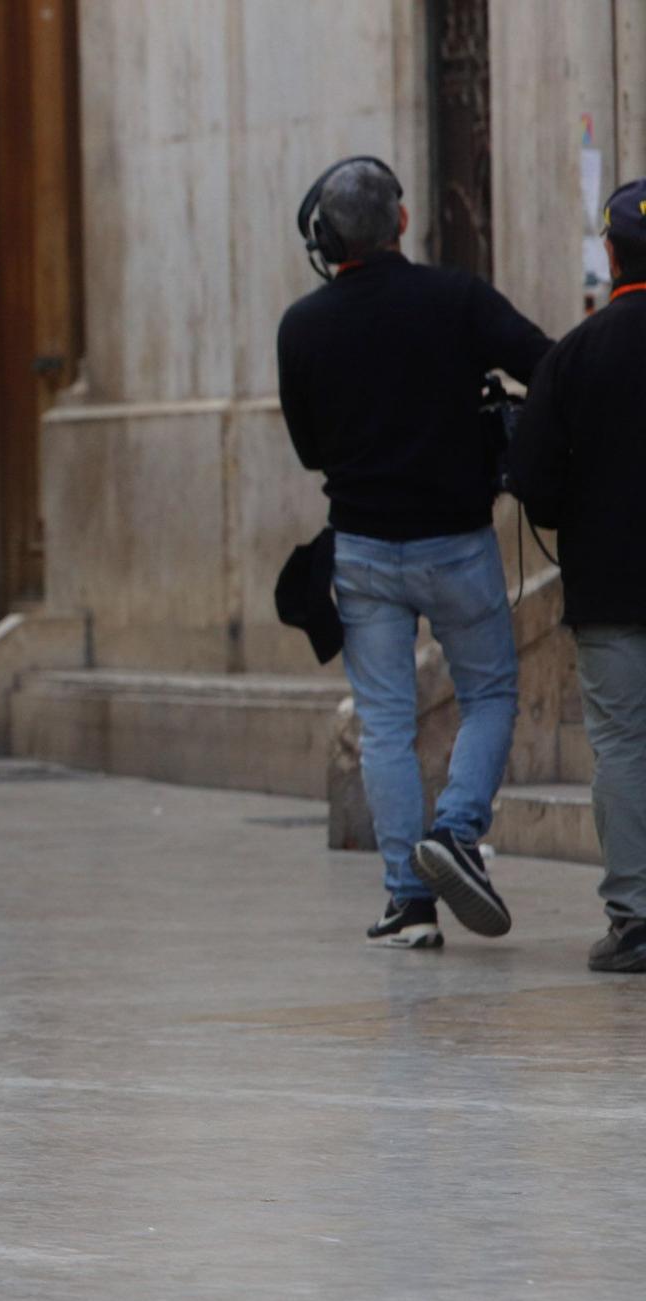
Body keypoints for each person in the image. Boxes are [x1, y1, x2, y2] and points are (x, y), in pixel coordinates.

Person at [277, 157, 552, 948]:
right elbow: (546, 362)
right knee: (492, 690)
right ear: (402, 220)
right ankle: (458, 831)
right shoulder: (456, 299)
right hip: (456, 542)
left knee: (387, 722)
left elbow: (306, 449)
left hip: (361, 549)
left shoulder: (302, 326)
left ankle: (409, 896)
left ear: (327, 239)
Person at [507, 177, 646, 972]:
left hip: (611, 589)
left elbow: (533, 480)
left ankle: (636, 919)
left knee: (624, 746)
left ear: (609, 251)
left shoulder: (575, 353)